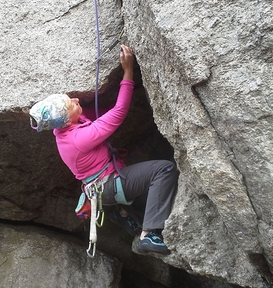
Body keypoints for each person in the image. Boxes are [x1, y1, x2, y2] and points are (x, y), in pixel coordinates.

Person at [28, 45, 178, 254]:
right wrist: (128, 71)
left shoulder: (63, 130)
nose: (76, 99)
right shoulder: (78, 138)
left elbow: (94, 113)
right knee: (164, 170)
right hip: (108, 185)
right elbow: (118, 113)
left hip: (101, 189)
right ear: (66, 119)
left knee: (143, 192)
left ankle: (123, 212)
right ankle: (150, 234)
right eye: (71, 104)